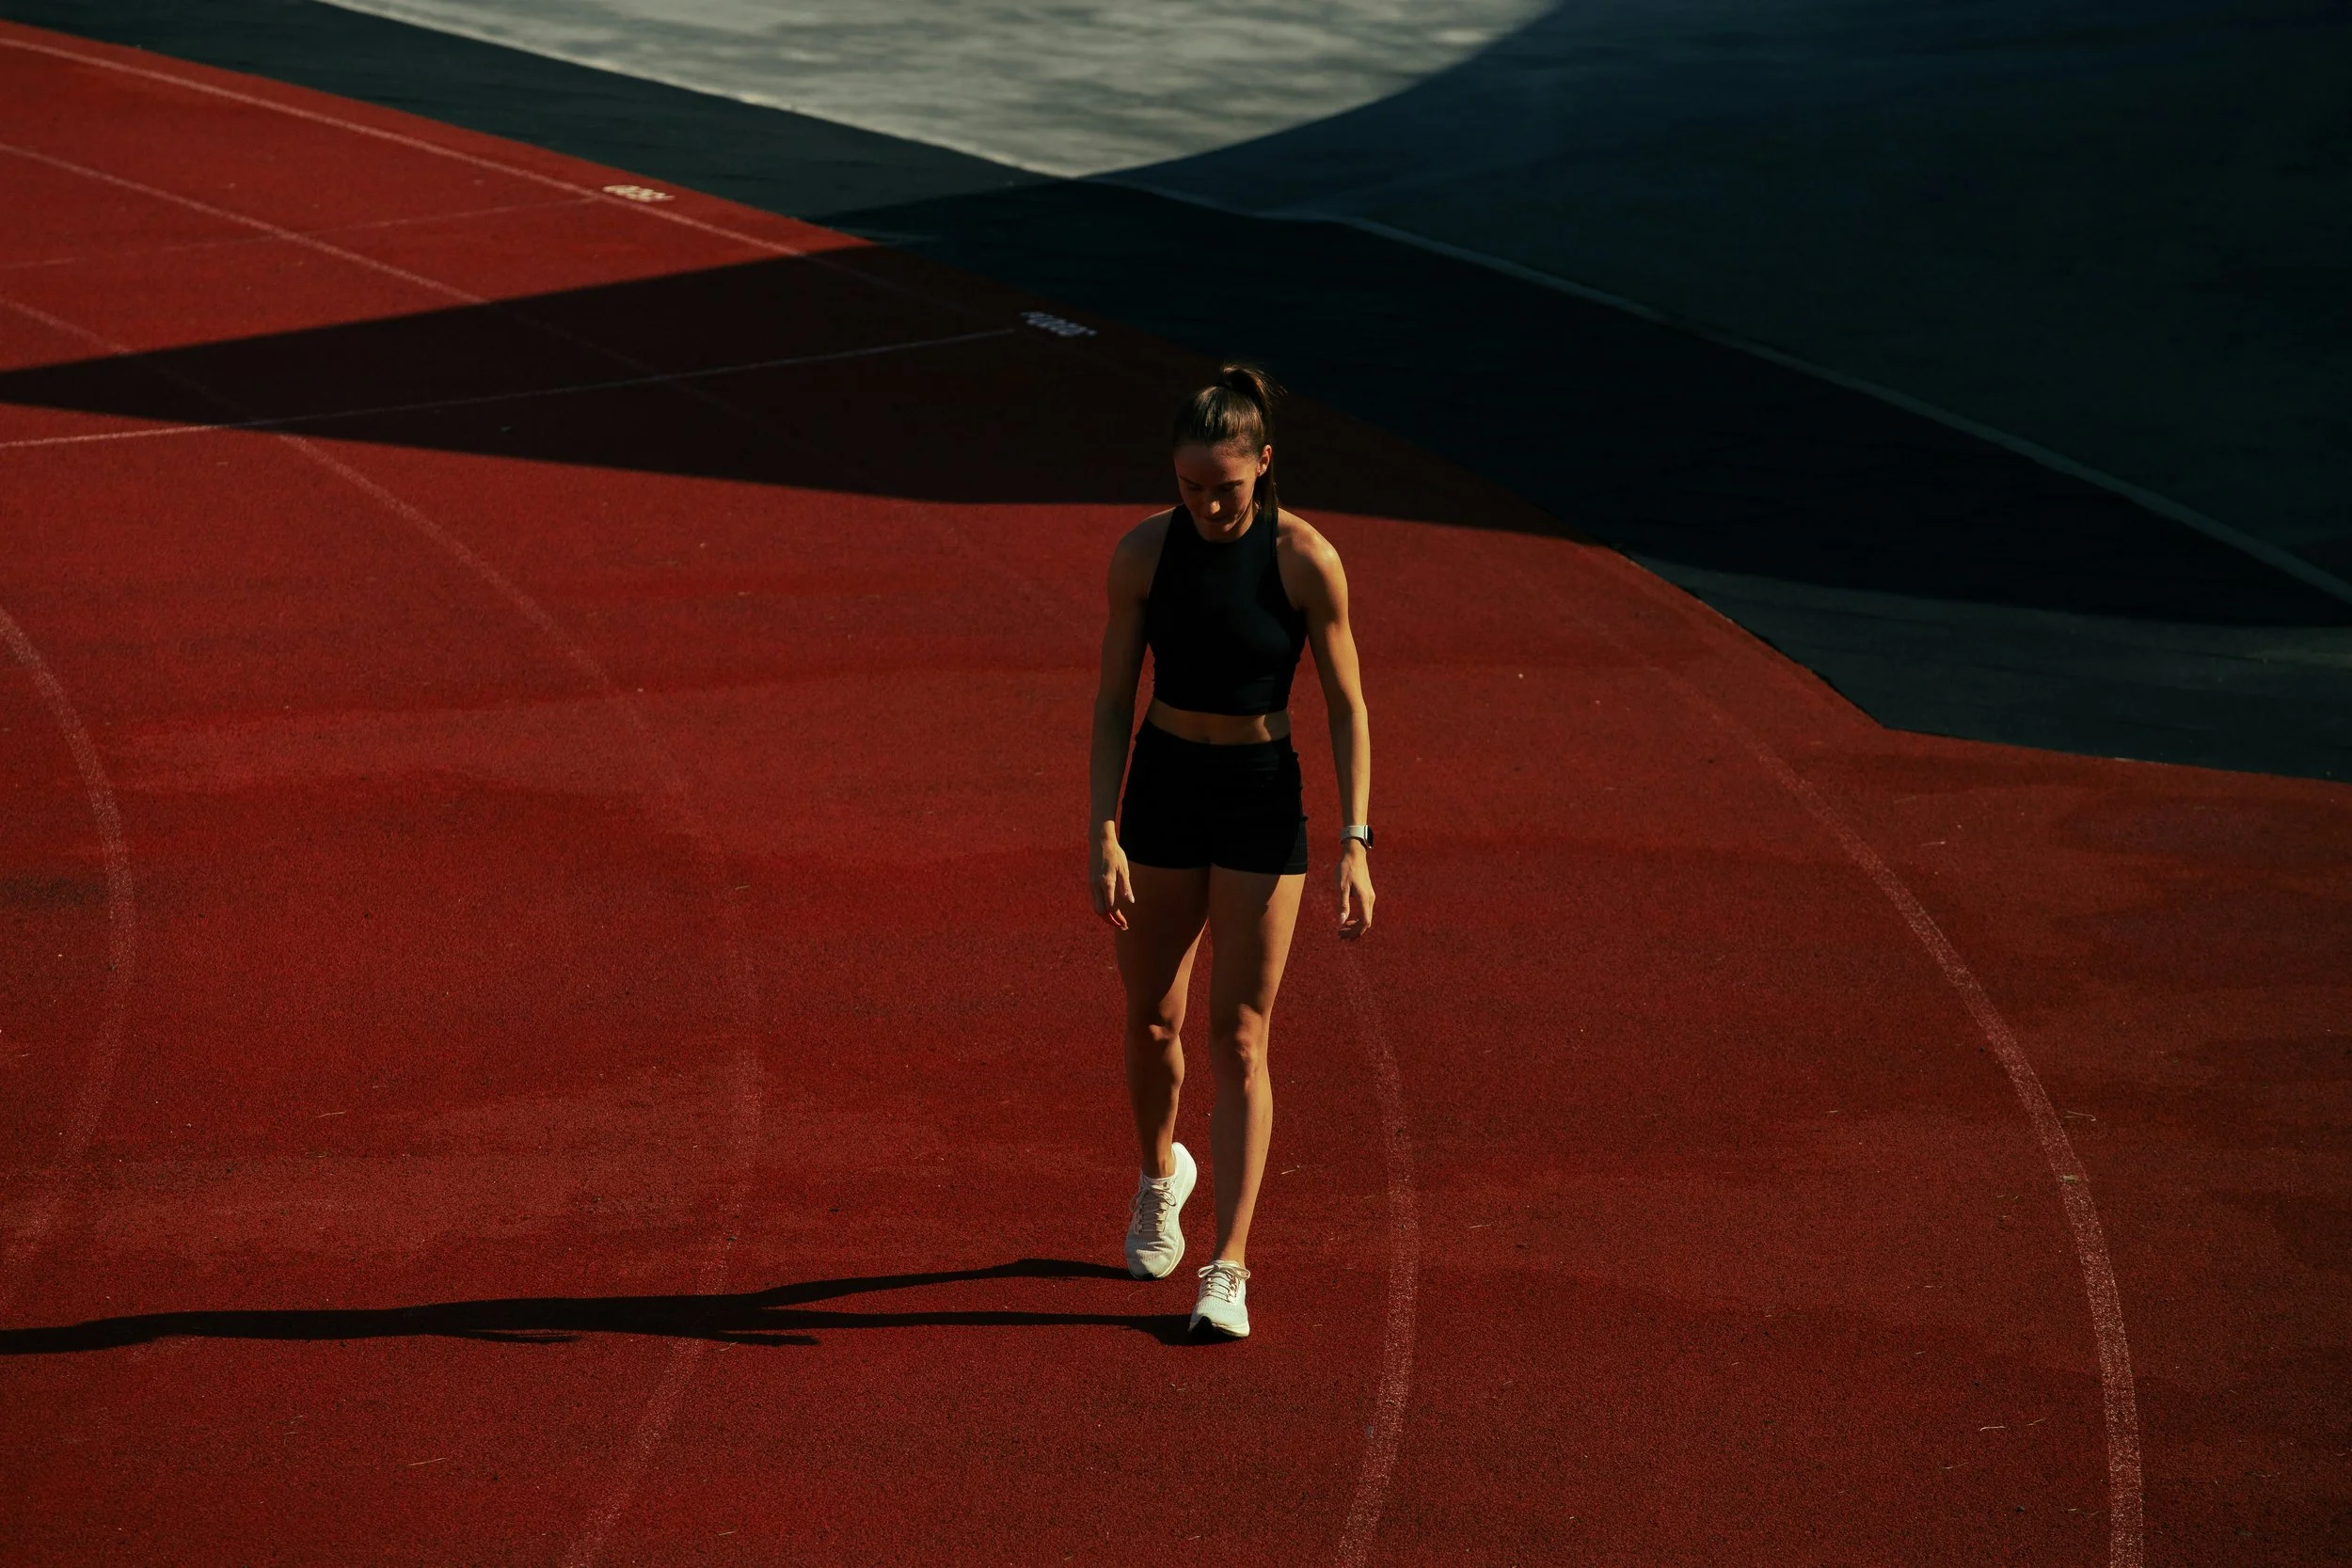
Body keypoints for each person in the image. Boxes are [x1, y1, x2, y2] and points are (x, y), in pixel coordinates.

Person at [1088, 364, 1375, 1339]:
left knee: (1239, 1034)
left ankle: (1229, 1261)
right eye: (1191, 485)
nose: (1209, 503)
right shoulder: (1141, 554)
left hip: (1259, 795)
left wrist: (1355, 840)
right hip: (1163, 787)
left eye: (1228, 485)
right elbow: (1111, 701)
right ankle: (1159, 1174)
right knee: (1153, 1024)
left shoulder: (1304, 560)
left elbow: (1345, 704)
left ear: (1264, 465)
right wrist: (1102, 826)